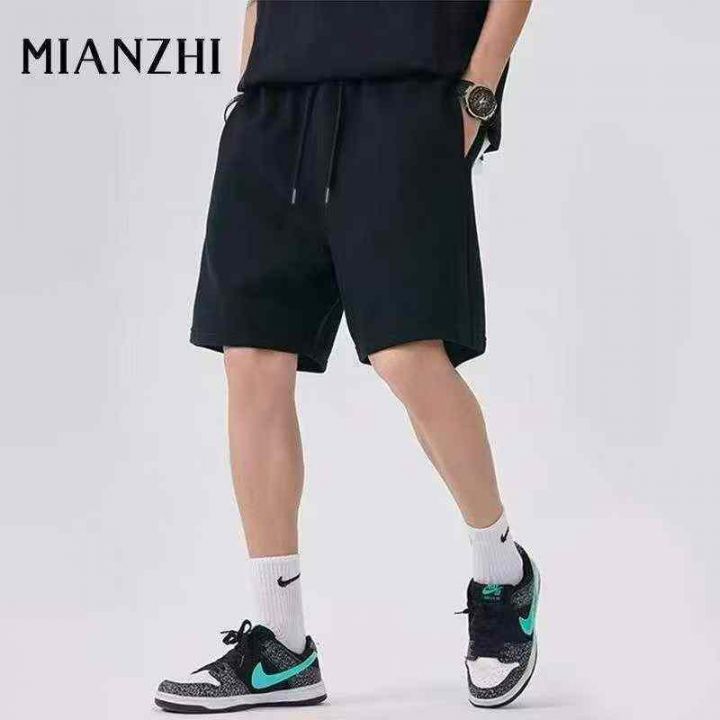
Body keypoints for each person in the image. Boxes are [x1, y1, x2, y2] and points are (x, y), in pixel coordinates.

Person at [155, 0, 536, 712]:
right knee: (252, 358)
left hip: (405, 97)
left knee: (406, 354)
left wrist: (476, 99)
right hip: (275, 104)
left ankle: (501, 572)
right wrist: (251, 79)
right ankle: (281, 646)